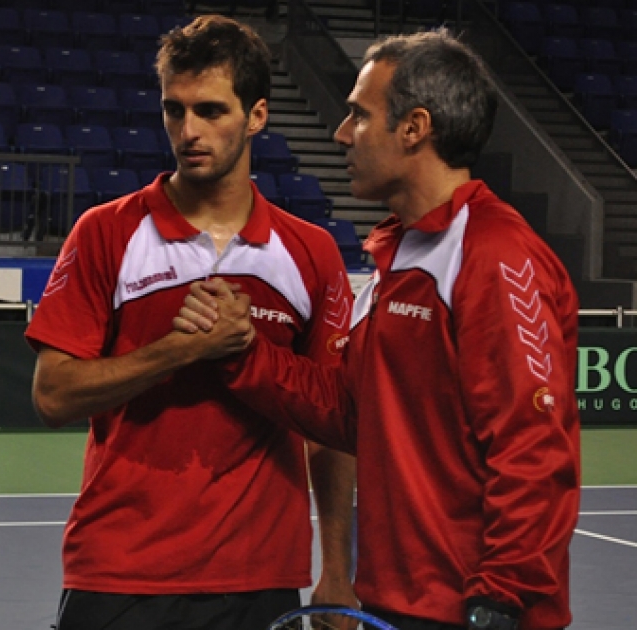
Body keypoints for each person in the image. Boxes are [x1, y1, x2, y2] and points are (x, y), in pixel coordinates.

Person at [177, 30, 581, 630]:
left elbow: (534, 444)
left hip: (476, 610)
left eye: (359, 117)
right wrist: (244, 351)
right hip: (398, 601)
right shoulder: (399, 260)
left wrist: (502, 597)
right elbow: (349, 414)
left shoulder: (495, 254)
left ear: (415, 127)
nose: (342, 134)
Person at [25, 14, 357, 630]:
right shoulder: (106, 233)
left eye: (210, 110)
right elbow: (53, 395)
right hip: (118, 567)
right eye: (174, 111)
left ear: (257, 115)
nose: (188, 130)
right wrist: (178, 351)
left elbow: (331, 425)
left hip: (259, 575)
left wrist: (337, 567)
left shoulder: (311, 253)